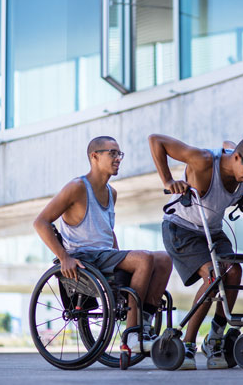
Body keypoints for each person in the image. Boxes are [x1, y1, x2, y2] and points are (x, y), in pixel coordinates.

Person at [34, 136, 172, 355]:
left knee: (164, 258)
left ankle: (144, 323)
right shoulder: (77, 187)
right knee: (144, 258)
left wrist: (122, 257)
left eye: (120, 154)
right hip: (84, 257)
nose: (118, 158)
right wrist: (64, 257)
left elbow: (107, 231)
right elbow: (40, 222)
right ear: (95, 156)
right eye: (113, 153)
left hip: (105, 255)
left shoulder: (111, 192)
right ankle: (132, 335)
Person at [148, 134, 243, 370]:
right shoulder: (202, 161)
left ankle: (214, 338)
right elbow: (156, 141)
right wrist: (168, 180)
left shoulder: (237, 162)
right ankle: (188, 344)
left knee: (234, 272)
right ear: (236, 158)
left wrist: (229, 146)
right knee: (214, 277)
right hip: (181, 228)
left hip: (211, 230)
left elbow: (228, 143)